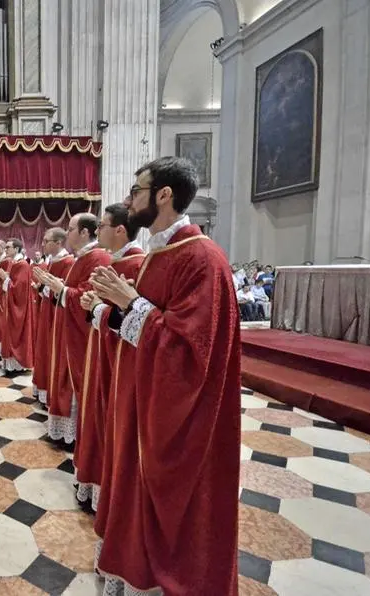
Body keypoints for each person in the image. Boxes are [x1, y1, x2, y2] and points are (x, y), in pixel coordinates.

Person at [89, 156, 241, 595]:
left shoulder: (202, 259)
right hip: (141, 405)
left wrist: (131, 304)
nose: (127, 201)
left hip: (175, 420)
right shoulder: (161, 254)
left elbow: (192, 351)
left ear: (164, 195)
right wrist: (115, 308)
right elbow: (145, 330)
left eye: (135, 191)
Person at [74, 204, 144, 511]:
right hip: (101, 347)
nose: (98, 230)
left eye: (102, 226)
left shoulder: (135, 264)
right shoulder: (116, 261)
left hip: (118, 358)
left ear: (119, 230)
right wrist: (94, 306)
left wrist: (99, 310)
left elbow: (132, 319)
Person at [36, 213, 110, 446]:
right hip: (67, 326)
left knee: (75, 378)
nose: (67, 233)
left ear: (85, 232)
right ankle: (65, 429)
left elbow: (88, 294)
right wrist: (54, 288)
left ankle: (73, 434)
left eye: (70, 229)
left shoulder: (97, 257)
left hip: (81, 332)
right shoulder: (82, 257)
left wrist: (62, 289)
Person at [31, 228, 72, 406]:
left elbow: (64, 290)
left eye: (46, 241)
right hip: (48, 311)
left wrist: (49, 287)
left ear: (58, 243)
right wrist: (42, 286)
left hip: (58, 314)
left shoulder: (68, 262)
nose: (42, 244)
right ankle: (45, 390)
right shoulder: (53, 261)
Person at [0, 239, 35, 374]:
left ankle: (17, 364)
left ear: (17, 249)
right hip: (11, 305)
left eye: (8, 247)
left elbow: (19, 289)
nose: (5, 249)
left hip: (19, 306)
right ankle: (10, 363)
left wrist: (4, 278)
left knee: (16, 332)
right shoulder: (14, 263)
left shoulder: (23, 265)